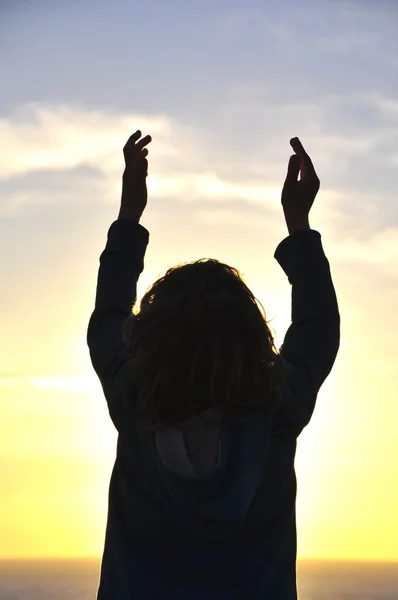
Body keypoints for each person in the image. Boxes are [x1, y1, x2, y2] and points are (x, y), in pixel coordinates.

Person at [87, 131, 340, 599]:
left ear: (149, 336)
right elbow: (317, 328)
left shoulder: (134, 402)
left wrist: (128, 217)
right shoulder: (278, 409)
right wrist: (299, 224)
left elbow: (106, 321)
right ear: (251, 334)